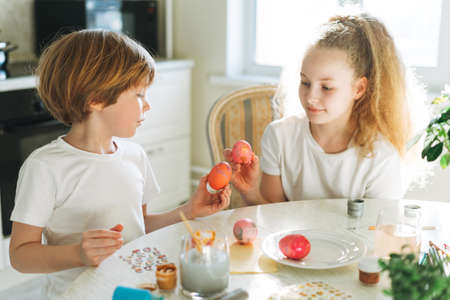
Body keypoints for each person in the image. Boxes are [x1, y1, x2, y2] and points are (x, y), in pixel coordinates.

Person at [9, 30, 231, 299]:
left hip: (133, 288)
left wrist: (189, 210)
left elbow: (140, 226)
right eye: (139, 95)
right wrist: (77, 253)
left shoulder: (134, 155)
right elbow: (21, 255)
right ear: (96, 98)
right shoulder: (45, 167)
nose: (147, 106)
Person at [225, 13, 418, 205]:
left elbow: (380, 233)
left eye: (326, 87)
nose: (311, 97)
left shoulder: (381, 158)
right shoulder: (279, 136)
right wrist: (251, 193)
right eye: (305, 82)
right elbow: (273, 217)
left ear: (358, 88)